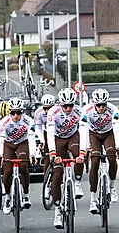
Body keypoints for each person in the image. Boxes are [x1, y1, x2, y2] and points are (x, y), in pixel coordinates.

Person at [47, 88, 87, 229]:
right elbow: (50, 134)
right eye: (65, 106)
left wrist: (83, 153)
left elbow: (83, 131)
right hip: (57, 139)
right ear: (60, 105)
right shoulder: (53, 112)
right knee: (57, 176)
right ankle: (57, 211)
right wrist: (52, 153)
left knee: (78, 154)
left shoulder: (80, 111)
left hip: (72, 136)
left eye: (71, 105)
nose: (68, 108)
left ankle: (76, 182)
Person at [81, 88, 119, 214]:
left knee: (112, 157)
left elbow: (117, 128)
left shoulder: (113, 109)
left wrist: (118, 147)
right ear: (94, 103)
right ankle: (93, 200)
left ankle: (112, 187)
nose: (101, 108)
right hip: (93, 134)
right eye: (98, 105)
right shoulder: (87, 110)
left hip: (108, 134)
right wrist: (85, 148)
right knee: (95, 162)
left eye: (103, 105)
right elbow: (83, 129)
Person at [0, 97, 37, 215]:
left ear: (22, 112)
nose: (15, 116)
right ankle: (8, 198)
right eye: (13, 113)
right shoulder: (4, 122)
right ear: (9, 113)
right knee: (7, 171)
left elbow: (31, 139)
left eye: (18, 113)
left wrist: (33, 154)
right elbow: (1, 140)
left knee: (23, 165)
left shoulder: (29, 121)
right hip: (8, 144)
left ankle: (25, 195)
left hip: (22, 143)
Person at [33, 94, 55, 173]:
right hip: (46, 132)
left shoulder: (58, 110)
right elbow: (38, 128)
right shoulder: (38, 113)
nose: (47, 111)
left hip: (58, 132)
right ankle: (47, 180)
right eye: (45, 108)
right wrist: (42, 140)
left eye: (49, 108)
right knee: (47, 159)